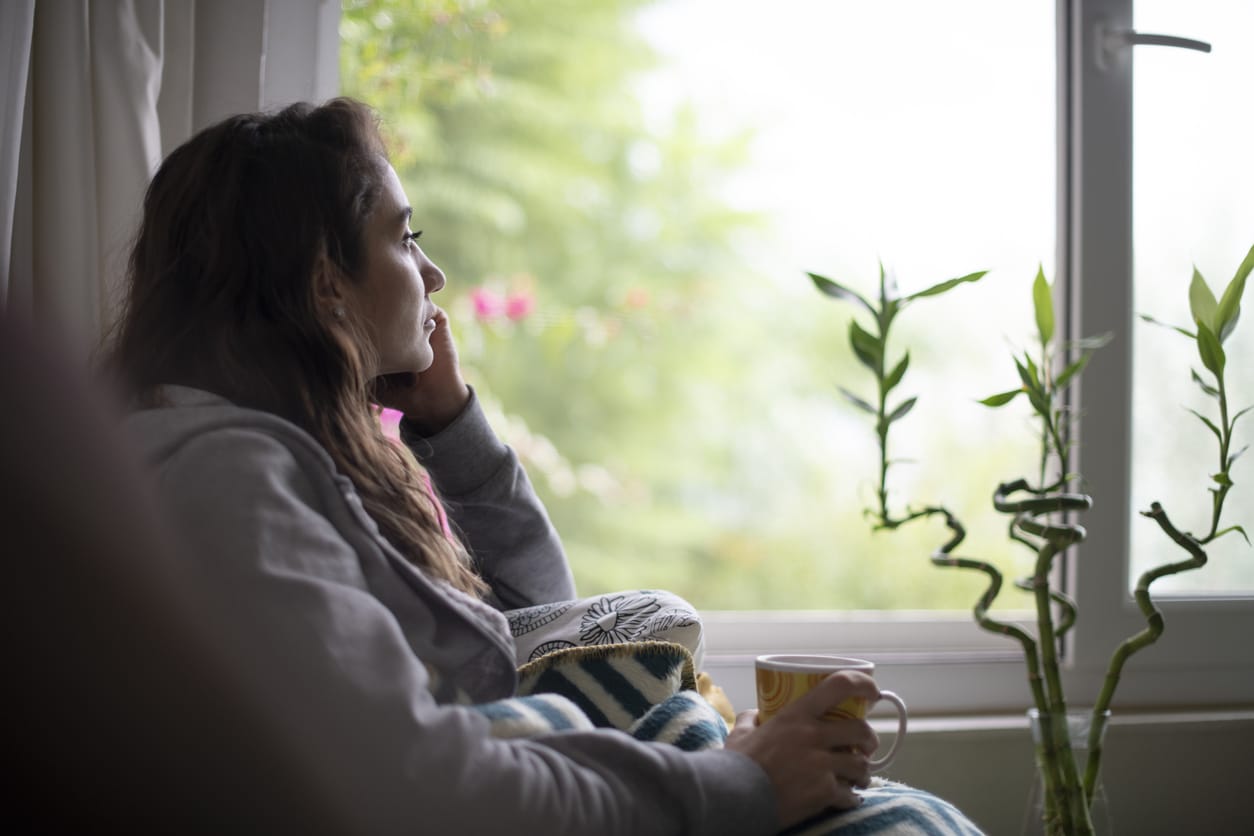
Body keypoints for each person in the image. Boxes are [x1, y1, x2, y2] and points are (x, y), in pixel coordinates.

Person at [102, 97, 892, 835]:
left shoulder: (265, 459)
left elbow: (523, 649)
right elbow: (418, 779)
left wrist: (449, 427)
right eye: (406, 238)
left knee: (649, 622)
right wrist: (739, 786)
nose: (434, 275)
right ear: (324, 283)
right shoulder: (230, 482)